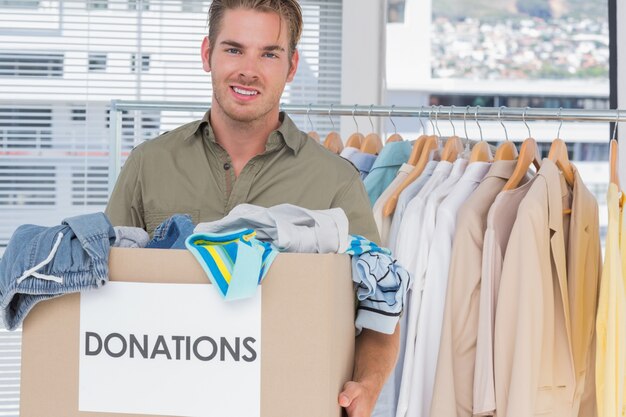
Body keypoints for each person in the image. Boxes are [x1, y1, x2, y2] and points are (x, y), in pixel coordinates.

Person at [105, 1, 399, 416]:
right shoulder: (148, 164)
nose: (249, 69)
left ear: (291, 65)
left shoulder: (337, 182)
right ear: (207, 54)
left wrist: (368, 385)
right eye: (234, 49)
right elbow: (104, 290)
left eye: (269, 53)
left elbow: (379, 309)